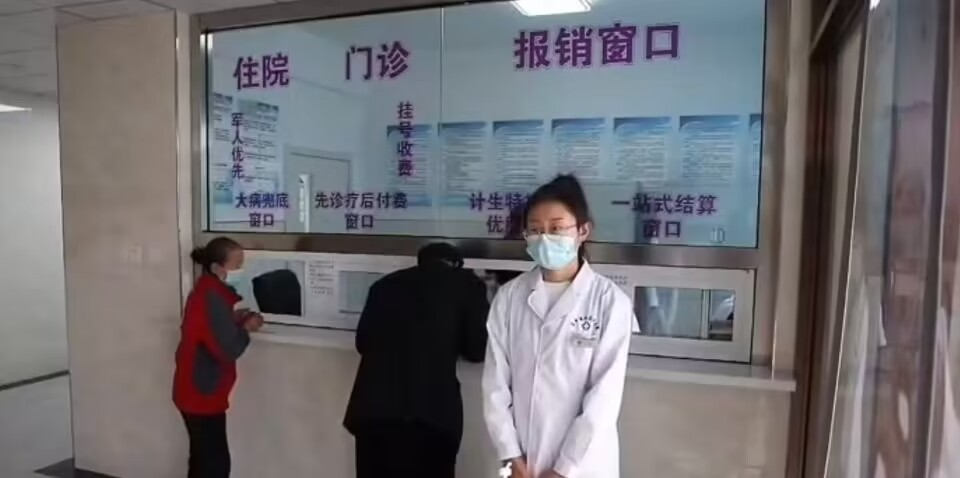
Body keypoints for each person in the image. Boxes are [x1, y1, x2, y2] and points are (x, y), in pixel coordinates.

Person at [483, 175, 635, 478]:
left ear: (582, 231)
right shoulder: (509, 298)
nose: (544, 238)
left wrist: (565, 469)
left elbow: (603, 400)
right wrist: (510, 454)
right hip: (521, 463)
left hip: (585, 466)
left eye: (556, 228)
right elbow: (495, 387)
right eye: (535, 230)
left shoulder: (609, 302)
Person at [344, 243, 490, 478]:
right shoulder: (467, 285)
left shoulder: (385, 284)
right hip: (429, 415)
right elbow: (477, 349)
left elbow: (363, 342)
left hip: (372, 412)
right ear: (456, 264)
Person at [173, 237, 263, 478]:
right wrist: (246, 328)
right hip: (201, 392)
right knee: (215, 465)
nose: (241, 270)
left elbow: (209, 331)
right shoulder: (213, 297)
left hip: (194, 387)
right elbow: (228, 349)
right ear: (216, 267)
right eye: (236, 265)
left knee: (202, 459)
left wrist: (234, 320)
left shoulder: (209, 292)